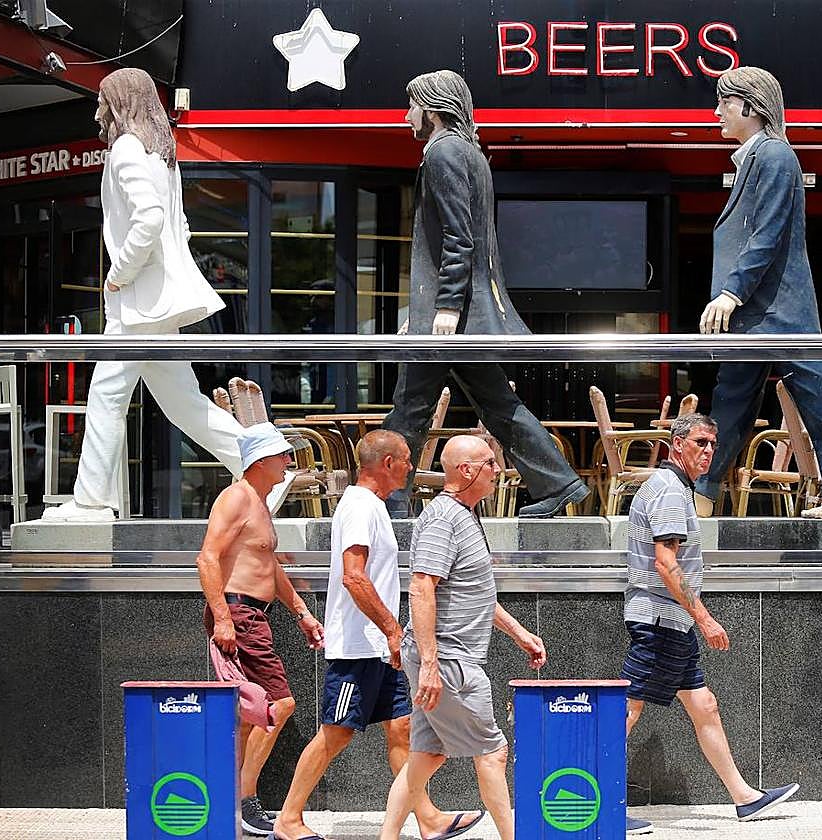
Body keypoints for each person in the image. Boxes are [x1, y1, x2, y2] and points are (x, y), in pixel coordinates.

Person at [382, 69, 588, 519]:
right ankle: (559, 483)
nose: (407, 116)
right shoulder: (468, 151)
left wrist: (444, 307)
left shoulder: (444, 152)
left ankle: (386, 500)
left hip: (451, 318)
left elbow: (458, 238)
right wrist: (429, 308)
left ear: (433, 110)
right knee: (496, 404)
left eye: (413, 106)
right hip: (460, 314)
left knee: (409, 409)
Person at [43, 67, 246, 522]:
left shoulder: (127, 149)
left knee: (106, 397)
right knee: (185, 405)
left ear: (120, 103)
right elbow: (179, 226)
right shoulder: (161, 153)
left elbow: (150, 218)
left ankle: (92, 502)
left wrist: (119, 274)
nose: (97, 111)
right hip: (157, 305)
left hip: (138, 307)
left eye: (102, 100)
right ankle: (264, 464)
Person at [271, 430, 482, 840]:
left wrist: (390, 636)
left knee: (401, 728)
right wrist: (391, 629)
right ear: (388, 463)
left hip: (379, 646)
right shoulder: (359, 507)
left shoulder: (373, 506)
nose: (411, 467)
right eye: (406, 460)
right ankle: (288, 819)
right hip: (358, 647)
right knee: (336, 732)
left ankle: (427, 817)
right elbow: (354, 577)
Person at [693, 67, 822, 520]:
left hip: (776, 309)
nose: (717, 112)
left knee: (815, 393)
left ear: (751, 107)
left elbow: (768, 233)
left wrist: (731, 292)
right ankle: (701, 491)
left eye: (725, 102)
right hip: (759, 311)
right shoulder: (759, 158)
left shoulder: (775, 155)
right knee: (732, 399)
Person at [622, 413, 799, 828]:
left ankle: (744, 797)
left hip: (670, 620)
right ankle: (597, 802)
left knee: (705, 706)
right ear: (676, 444)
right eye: (700, 442)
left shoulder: (675, 487)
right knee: (626, 710)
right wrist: (704, 619)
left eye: (713, 444)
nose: (708, 451)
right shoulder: (669, 490)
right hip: (660, 619)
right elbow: (666, 564)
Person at [378, 435, 547, 840]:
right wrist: (431, 665)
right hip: (450, 659)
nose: (498, 471)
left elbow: (474, 592)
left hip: (446, 657)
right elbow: (422, 587)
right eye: (491, 463)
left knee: (425, 755)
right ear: (466, 470)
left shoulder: (463, 515)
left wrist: (520, 633)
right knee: (493, 751)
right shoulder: (443, 519)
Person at [196, 422, 325, 836]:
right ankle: (244, 799)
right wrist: (222, 618)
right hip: (239, 615)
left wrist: (302, 612)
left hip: (251, 615)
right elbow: (207, 558)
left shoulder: (259, 502)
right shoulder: (236, 497)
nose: (289, 461)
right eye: (282, 454)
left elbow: (268, 565)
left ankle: (228, 799)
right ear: (261, 460)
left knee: (252, 714)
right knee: (278, 705)